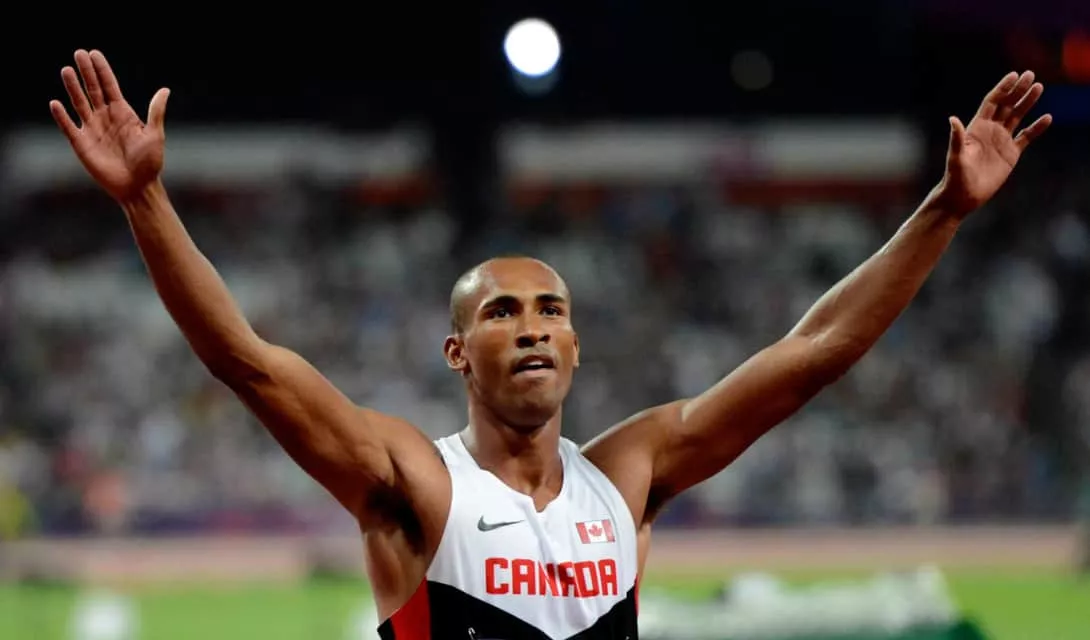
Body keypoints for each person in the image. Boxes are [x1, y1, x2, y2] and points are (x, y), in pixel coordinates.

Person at [49, 49, 1051, 639]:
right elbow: (245, 359)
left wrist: (941, 211)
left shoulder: (629, 476)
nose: (530, 323)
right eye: (500, 312)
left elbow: (813, 351)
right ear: (457, 354)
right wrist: (145, 201)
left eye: (550, 309)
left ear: (576, 347)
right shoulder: (414, 480)